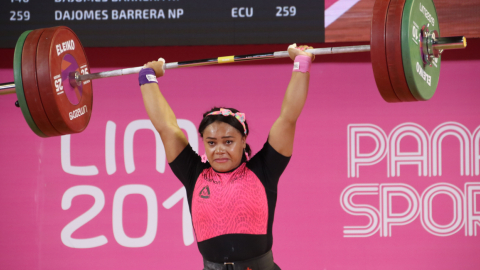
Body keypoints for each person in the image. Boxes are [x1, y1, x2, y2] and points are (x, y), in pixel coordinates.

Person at [139, 44, 314, 270]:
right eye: (211, 143)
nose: (219, 149)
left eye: (228, 141)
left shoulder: (264, 169)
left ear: (243, 140)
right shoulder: (193, 173)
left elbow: (288, 117)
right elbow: (166, 127)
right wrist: (147, 77)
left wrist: (301, 63)